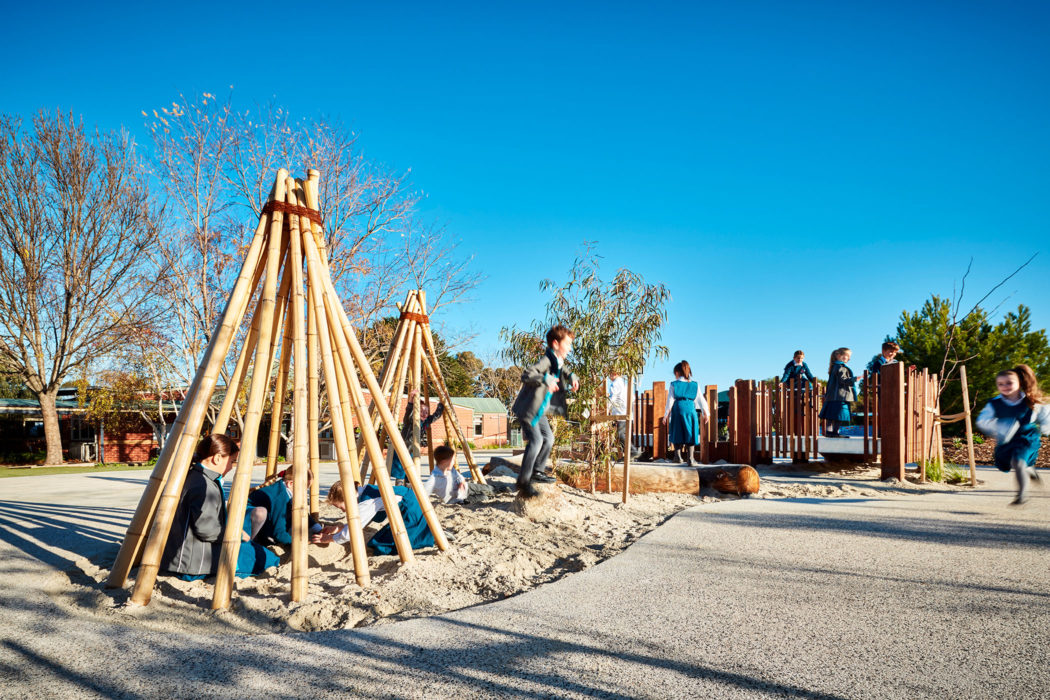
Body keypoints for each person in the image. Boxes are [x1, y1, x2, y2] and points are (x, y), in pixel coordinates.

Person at [160, 434, 279, 580]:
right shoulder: (204, 486)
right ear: (217, 458)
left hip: (184, 553)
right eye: (231, 461)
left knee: (256, 551)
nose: (231, 467)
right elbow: (206, 530)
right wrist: (237, 535)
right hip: (195, 561)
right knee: (267, 558)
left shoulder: (196, 476)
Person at [510, 325, 579, 498]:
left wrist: (572, 377)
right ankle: (523, 481)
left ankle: (537, 472)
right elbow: (527, 374)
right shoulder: (547, 360)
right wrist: (544, 378)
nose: (570, 349)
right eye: (568, 344)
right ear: (556, 344)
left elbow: (563, 369)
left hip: (538, 411)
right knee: (537, 440)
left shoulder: (557, 361)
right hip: (527, 410)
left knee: (549, 438)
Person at [975, 364, 1050, 506]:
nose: (1005, 386)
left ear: (1019, 383)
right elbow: (983, 420)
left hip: (1027, 437)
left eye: (1009, 383)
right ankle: (1029, 470)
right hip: (1007, 438)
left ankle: (1022, 494)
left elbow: (1045, 413)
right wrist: (999, 427)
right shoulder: (994, 403)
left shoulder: (1030, 400)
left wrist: (1047, 426)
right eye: (1000, 384)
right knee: (1003, 462)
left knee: (1018, 461)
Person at [314, 479, 434, 554]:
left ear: (347, 498)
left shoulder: (366, 502)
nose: (343, 511)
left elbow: (351, 532)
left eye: (341, 507)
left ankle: (431, 535)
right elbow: (359, 522)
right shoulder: (364, 491)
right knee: (380, 539)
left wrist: (329, 539)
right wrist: (338, 528)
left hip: (410, 511)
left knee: (382, 546)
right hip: (408, 507)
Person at [247, 467, 322, 545]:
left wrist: (317, 528)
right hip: (249, 525)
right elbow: (279, 533)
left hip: (268, 518)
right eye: (305, 488)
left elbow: (300, 511)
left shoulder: (285, 488)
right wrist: (300, 544)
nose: (305, 491)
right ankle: (254, 543)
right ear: (290, 484)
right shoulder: (279, 497)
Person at [390, 391, 445, 483]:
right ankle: (398, 490)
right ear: (415, 412)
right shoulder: (410, 420)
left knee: (411, 474)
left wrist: (441, 404)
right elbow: (408, 411)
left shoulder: (426, 421)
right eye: (421, 411)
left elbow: (436, 416)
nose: (424, 414)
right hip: (403, 448)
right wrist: (411, 398)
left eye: (426, 412)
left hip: (414, 450)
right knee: (400, 472)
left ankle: (408, 490)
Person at [661, 360, 709, 465]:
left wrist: (666, 415)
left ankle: (677, 457)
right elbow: (701, 399)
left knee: (676, 431)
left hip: (678, 409)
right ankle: (691, 459)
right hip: (690, 409)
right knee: (690, 432)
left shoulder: (674, 384)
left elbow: (670, 400)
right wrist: (706, 413)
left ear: (677, 372)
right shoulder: (694, 384)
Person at [819, 348, 857, 438]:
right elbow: (843, 380)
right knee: (838, 415)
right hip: (840, 396)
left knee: (831, 415)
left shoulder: (834, 366)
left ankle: (829, 433)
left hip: (832, 396)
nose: (849, 358)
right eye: (847, 356)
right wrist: (855, 379)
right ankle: (835, 433)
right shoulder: (841, 367)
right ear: (839, 356)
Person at [607, 370, 629, 450]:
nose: (609, 377)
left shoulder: (615, 383)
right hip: (622, 410)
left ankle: (631, 452)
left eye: (610, 374)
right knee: (621, 434)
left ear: (614, 374)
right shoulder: (622, 383)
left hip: (620, 412)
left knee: (620, 434)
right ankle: (628, 452)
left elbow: (612, 398)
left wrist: (607, 408)